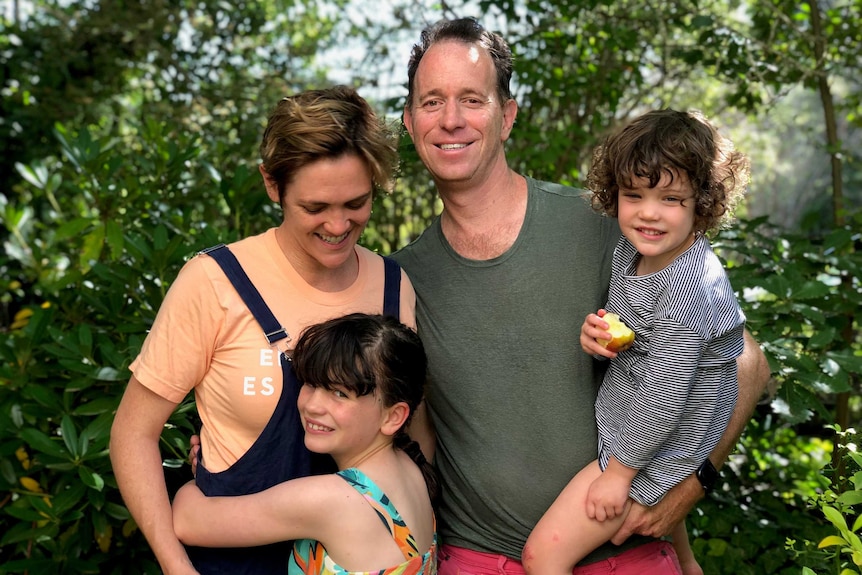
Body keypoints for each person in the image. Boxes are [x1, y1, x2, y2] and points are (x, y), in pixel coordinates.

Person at [392, 17, 770, 574]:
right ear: (409, 121)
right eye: (431, 102)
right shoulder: (399, 278)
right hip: (469, 559)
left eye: (472, 99)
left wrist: (694, 482)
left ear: (508, 116)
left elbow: (742, 362)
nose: (451, 119)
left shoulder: (605, 226)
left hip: (625, 555)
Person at [110, 86, 418, 575]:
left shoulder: (392, 286)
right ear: (273, 185)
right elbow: (132, 435)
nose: (338, 225)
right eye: (315, 208)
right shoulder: (213, 282)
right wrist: (175, 565)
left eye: (357, 203)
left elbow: (408, 436)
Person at [522, 109, 750, 575]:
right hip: (646, 428)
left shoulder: (692, 293)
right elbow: (638, 332)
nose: (648, 212)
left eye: (670, 198)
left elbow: (664, 400)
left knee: (542, 557)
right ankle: (687, 563)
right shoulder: (637, 249)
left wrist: (619, 477)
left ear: (701, 206)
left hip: (654, 450)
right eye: (634, 195)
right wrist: (604, 336)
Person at [172, 313, 438, 575]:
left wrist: (203, 467)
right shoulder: (411, 468)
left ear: (393, 416)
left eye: (339, 393)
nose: (312, 405)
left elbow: (187, 520)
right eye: (310, 383)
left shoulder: (330, 499)